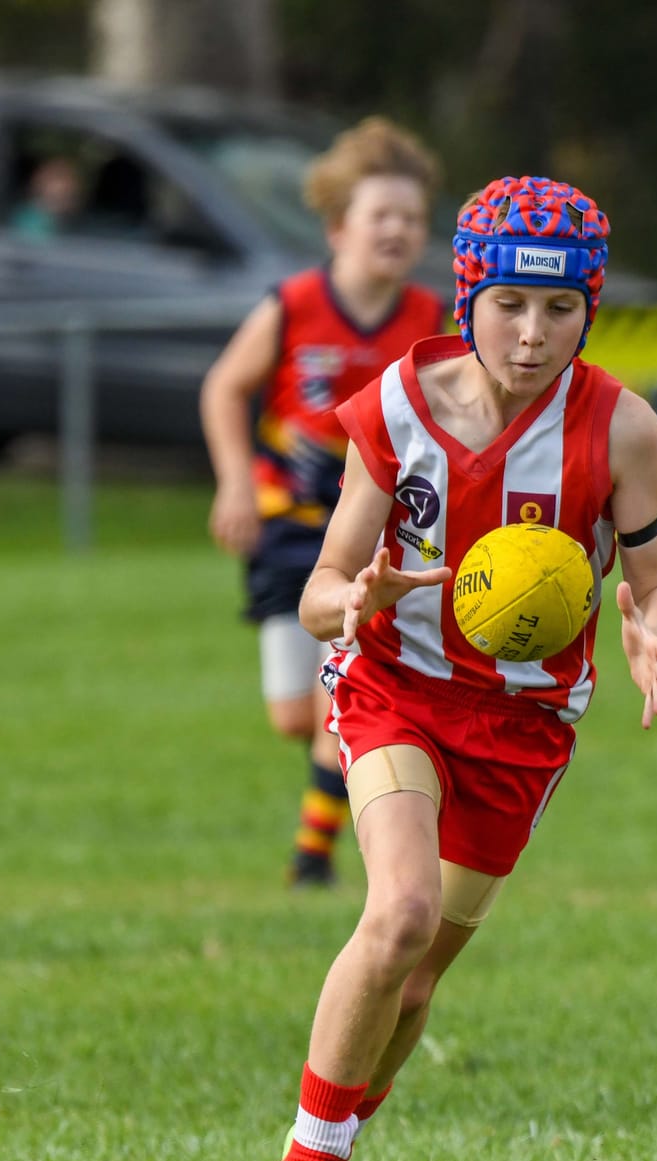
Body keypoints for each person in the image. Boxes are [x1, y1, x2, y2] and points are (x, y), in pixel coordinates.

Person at [240, 175, 657, 1161]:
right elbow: (319, 589)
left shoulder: (623, 427)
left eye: (560, 312)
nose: (530, 336)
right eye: (507, 307)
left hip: (524, 721)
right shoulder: (397, 405)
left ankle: (341, 1126)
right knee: (389, 914)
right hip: (395, 683)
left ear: (590, 307)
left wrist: (650, 631)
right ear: (467, 292)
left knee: (420, 981)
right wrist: (359, 597)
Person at [200, 117, 447, 889]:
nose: (400, 230)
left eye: (412, 218)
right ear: (340, 226)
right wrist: (236, 479)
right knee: (295, 716)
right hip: (285, 528)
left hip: (370, 538)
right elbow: (224, 386)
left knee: (337, 679)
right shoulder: (296, 303)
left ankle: (313, 857)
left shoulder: (428, 320)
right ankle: (328, 816)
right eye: (383, 215)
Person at [10, 156, 83, 241]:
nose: (66, 185)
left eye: (68, 179)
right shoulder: (27, 218)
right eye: (58, 178)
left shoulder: (73, 220)